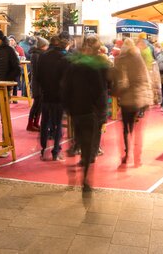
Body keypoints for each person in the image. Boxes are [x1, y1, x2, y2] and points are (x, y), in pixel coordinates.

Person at [61, 35, 109, 191]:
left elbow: (65, 88)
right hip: (91, 111)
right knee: (89, 144)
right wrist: (102, 111)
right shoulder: (97, 67)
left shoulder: (73, 66)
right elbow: (100, 91)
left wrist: (68, 108)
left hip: (76, 110)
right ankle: (86, 178)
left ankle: (73, 174)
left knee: (78, 138)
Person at [111, 38, 152, 166]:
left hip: (128, 99)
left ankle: (126, 154)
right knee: (138, 129)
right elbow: (146, 78)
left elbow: (122, 81)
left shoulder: (122, 60)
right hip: (141, 99)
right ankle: (137, 157)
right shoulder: (139, 59)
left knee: (126, 128)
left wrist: (117, 92)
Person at [0, 29, 21, 156]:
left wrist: (7, 80)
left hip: (3, 88)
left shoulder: (9, 51)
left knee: (4, 117)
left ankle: (5, 145)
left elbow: (17, 69)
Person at [35, 35, 68, 160]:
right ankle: (56, 150)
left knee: (45, 122)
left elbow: (38, 76)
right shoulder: (64, 58)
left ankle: (43, 149)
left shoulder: (43, 56)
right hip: (59, 96)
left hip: (46, 94)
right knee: (58, 123)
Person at [26, 36, 48, 132]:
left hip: (40, 82)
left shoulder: (40, 54)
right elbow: (37, 70)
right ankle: (30, 124)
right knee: (36, 104)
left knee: (39, 104)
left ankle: (35, 123)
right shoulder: (36, 55)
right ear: (42, 46)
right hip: (37, 83)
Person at [135, 35, 160, 108]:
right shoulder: (151, 47)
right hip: (149, 69)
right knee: (150, 86)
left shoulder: (138, 47)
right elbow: (154, 58)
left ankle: (144, 103)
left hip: (141, 70)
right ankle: (150, 101)